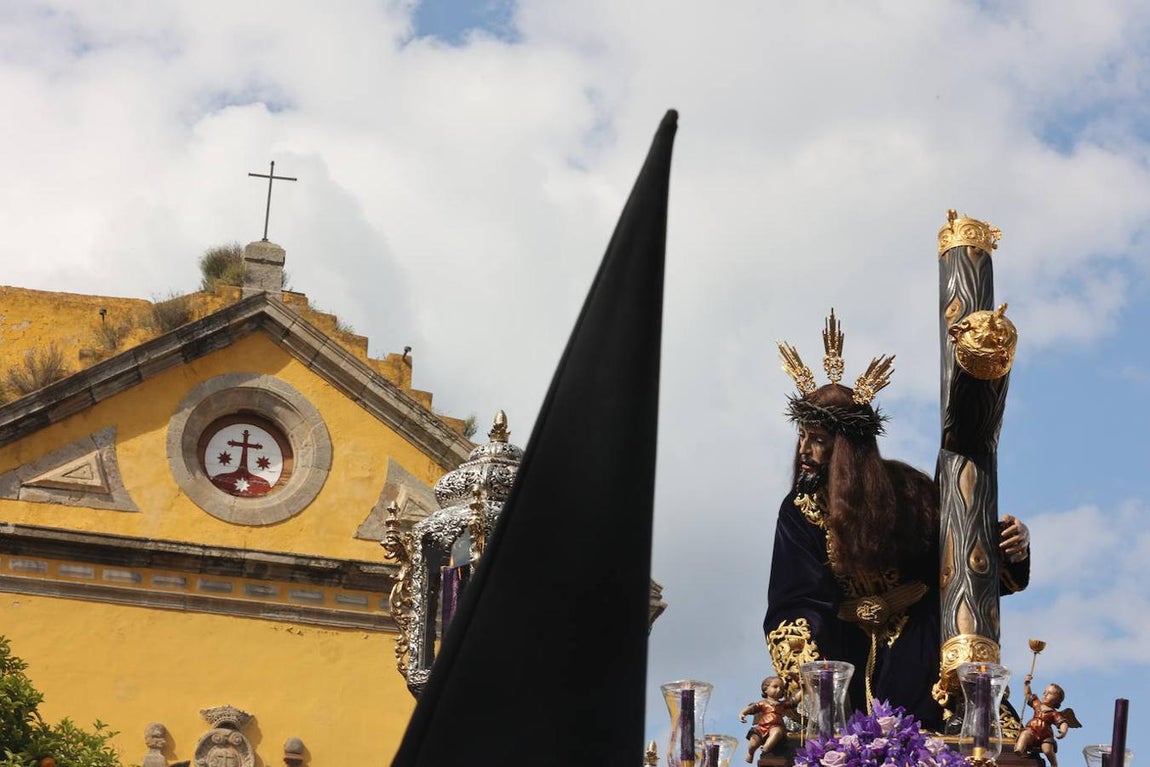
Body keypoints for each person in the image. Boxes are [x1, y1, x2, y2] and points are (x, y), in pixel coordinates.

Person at [765, 316, 1030, 732]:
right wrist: (813, 679)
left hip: (919, 641)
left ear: (847, 449)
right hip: (843, 648)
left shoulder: (910, 490)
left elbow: (960, 562)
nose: (805, 450)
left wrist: (1010, 547)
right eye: (802, 436)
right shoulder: (799, 509)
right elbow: (796, 600)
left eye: (817, 439)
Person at [1015, 674, 1079, 767]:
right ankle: (1019, 751)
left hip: (1045, 735)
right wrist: (1027, 684)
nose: (1045, 694)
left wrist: (1063, 731)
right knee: (1024, 734)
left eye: (1050, 693)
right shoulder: (1037, 705)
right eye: (1045, 692)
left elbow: (1063, 722)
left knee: (1047, 749)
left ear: (1057, 700)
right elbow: (1028, 695)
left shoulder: (1054, 713)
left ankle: (1054, 763)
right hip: (1032, 730)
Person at [739, 675, 801, 762]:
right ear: (765, 689)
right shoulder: (763, 703)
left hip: (776, 725)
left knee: (777, 732)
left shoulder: (782, 704)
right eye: (775, 687)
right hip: (762, 727)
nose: (779, 690)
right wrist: (743, 713)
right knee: (753, 743)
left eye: (781, 688)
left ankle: (766, 748)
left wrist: (802, 688)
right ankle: (750, 752)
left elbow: (794, 700)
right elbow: (752, 708)